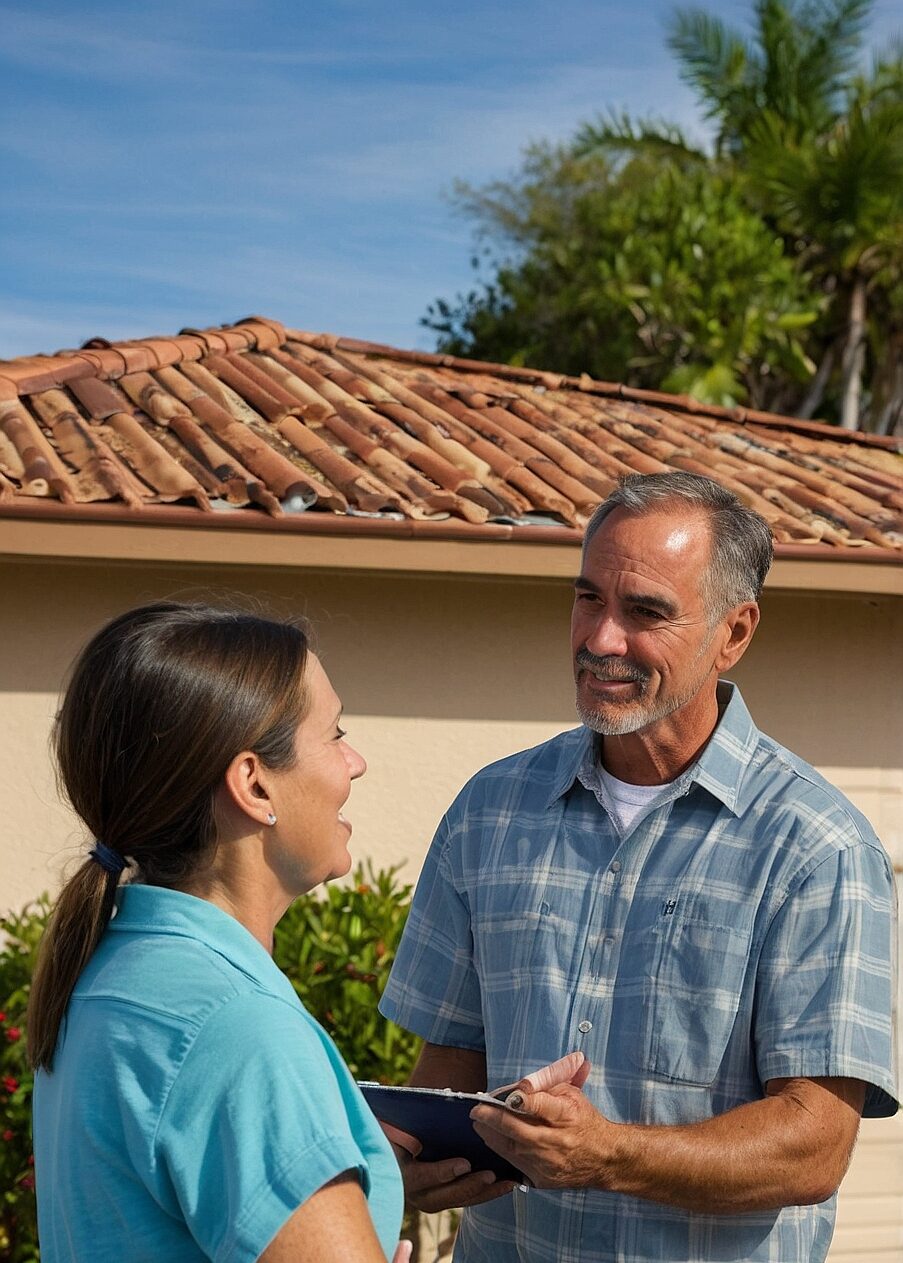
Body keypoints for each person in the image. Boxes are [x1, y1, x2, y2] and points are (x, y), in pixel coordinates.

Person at [380, 471, 899, 1263]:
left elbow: (814, 1144)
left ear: (733, 632)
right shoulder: (489, 811)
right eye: (588, 597)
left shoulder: (814, 842)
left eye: (645, 611)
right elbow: (450, 1071)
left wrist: (609, 1154)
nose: (600, 639)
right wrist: (407, 1163)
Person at [29, 601, 409, 1263]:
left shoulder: (105, 976)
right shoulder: (237, 1027)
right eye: (335, 732)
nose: (355, 761)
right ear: (253, 784)